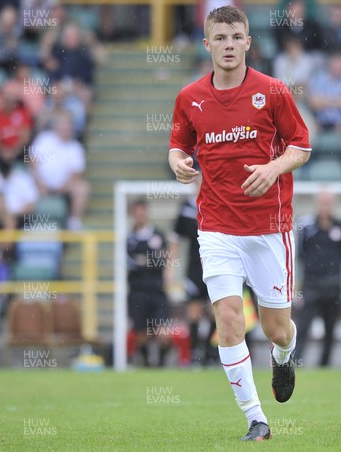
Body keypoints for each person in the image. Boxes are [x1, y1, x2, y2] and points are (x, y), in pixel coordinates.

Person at [168, 6, 311, 442]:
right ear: (207, 44)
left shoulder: (272, 92)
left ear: (248, 43)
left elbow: (301, 146)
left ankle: (284, 355)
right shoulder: (189, 97)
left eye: (236, 37)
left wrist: (274, 168)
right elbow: (177, 145)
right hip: (216, 228)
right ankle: (255, 418)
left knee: (275, 328)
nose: (228, 45)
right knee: (228, 319)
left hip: (269, 227)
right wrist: (177, 162)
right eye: (220, 38)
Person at [167, 183, 218, 365]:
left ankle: (212, 354)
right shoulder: (187, 208)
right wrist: (170, 267)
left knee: (215, 311)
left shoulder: (217, 203)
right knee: (194, 312)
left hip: (216, 265)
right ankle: (195, 354)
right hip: (195, 269)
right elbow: (176, 239)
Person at [295, 190, 341, 367]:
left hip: (333, 285)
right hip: (311, 285)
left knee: (330, 328)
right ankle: (296, 362)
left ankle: (325, 364)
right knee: (302, 326)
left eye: (329, 202)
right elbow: (301, 253)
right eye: (323, 202)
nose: (325, 206)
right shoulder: (307, 226)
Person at [127, 199, 173, 367]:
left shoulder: (157, 235)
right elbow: (131, 262)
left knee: (163, 332)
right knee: (141, 333)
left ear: (147, 213)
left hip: (157, 291)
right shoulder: (129, 238)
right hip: (137, 292)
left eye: (143, 212)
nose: (140, 215)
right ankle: (146, 363)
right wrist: (151, 259)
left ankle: (161, 362)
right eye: (137, 212)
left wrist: (145, 260)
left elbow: (163, 258)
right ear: (133, 214)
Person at [29, 111, 89, 230]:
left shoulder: (75, 147)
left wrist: (63, 187)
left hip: (64, 187)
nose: (65, 128)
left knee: (82, 188)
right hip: (39, 183)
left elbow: (77, 174)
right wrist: (38, 181)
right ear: (56, 126)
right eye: (63, 124)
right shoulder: (44, 139)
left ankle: (74, 222)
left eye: (68, 125)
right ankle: (24, 223)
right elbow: (32, 161)